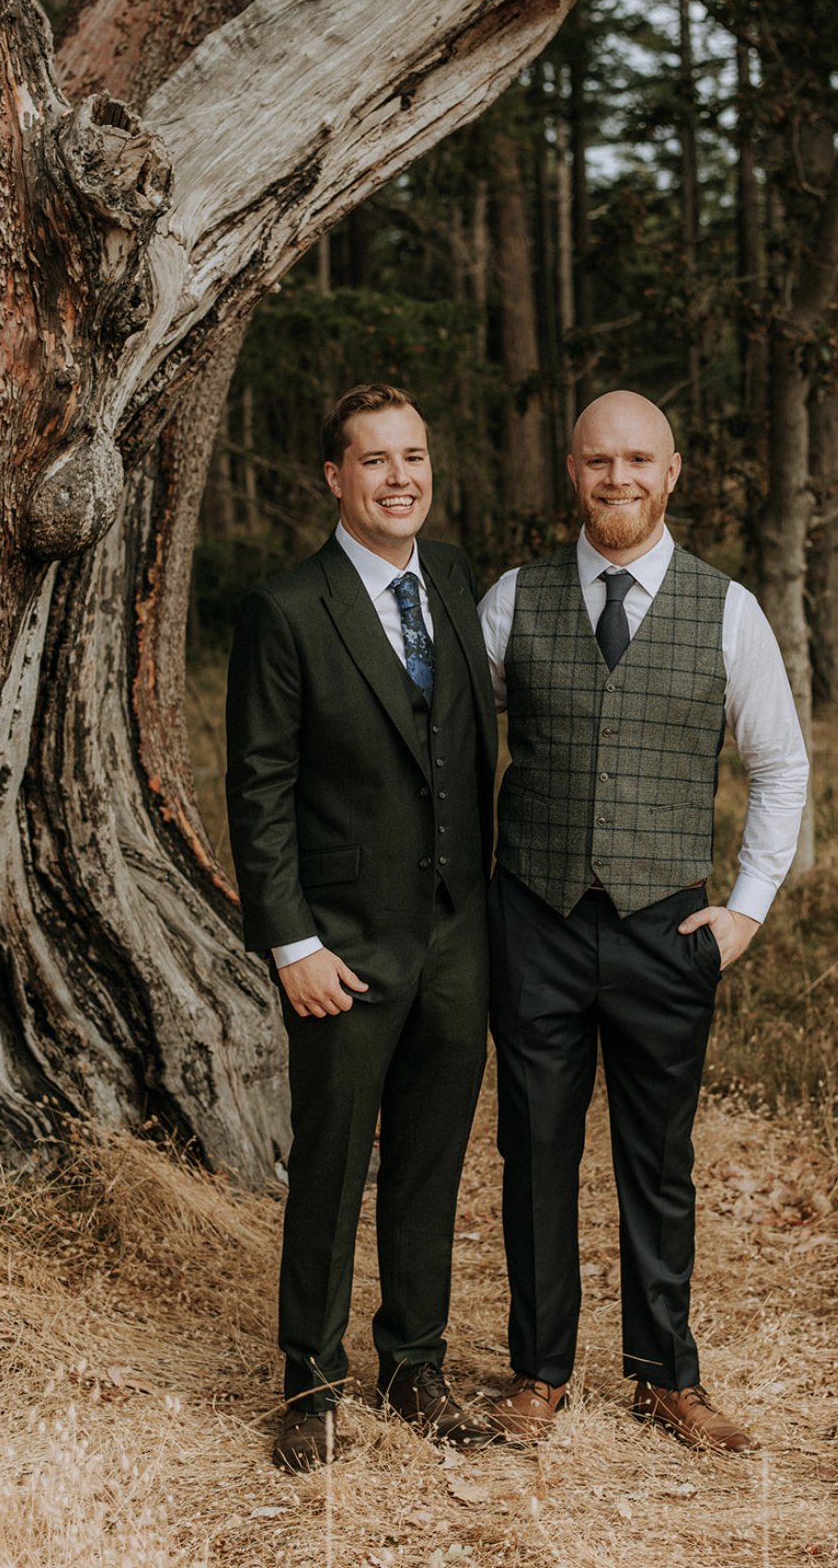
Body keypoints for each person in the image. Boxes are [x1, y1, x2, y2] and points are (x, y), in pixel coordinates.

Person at [479, 389, 808, 1452]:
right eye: (595, 461)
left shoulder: (726, 609)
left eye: (636, 460)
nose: (615, 478)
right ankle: (539, 1371)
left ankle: (665, 1374)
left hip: (666, 926)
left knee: (656, 1159)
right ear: (568, 471)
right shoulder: (510, 600)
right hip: (530, 915)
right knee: (533, 1148)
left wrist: (744, 912)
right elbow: (436, 752)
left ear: (672, 471)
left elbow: (778, 765)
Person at [225, 383, 498, 1471]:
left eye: (414, 456)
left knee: (429, 1163)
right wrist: (290, 942)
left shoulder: (453, 578)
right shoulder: (287, 608)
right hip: (339, 945)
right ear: (334, 477)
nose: (400, 478)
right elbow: (260, 787)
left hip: (456, 940)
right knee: (333, 1165)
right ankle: (309, 1378)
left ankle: (413, 1361)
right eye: (375, 460)